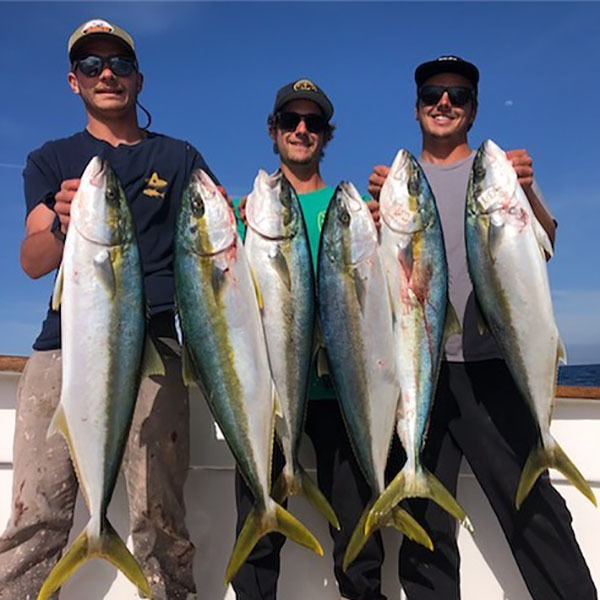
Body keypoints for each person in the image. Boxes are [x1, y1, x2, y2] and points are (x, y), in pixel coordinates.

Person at [0, 18, 221, 600]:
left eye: (119, 65)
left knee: (161, 519)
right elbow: (32, 259)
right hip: (62, 350)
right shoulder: (50, 160)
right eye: (92, 66)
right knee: (36, 515)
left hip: (153, 345)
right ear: (74, 81)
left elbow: (219, 235)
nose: (107, 75)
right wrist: (61, 219)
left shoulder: (178, 157)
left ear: (138, 79)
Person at [367, 55, 596, 600]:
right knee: (425, 530)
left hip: (491, 368)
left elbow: (546, 244)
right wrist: (370, 223)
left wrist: (527, 191)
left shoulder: (497, 175)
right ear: (417, 107)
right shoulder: (397, 185)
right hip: (418, 375)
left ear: (473, 109)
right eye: (432, 94)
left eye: (457, 95)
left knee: (534, 513)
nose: (443, 103)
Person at [230, 79, 386, 600]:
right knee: (257, 533)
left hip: (345, 396)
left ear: (326, 135)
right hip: (266, 398)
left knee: (359, 536)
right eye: (291, 122)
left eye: (313, 123)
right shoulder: (239, 212)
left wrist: (390, 228)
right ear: (273, 131)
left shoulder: (358, 212)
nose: (302, 130)